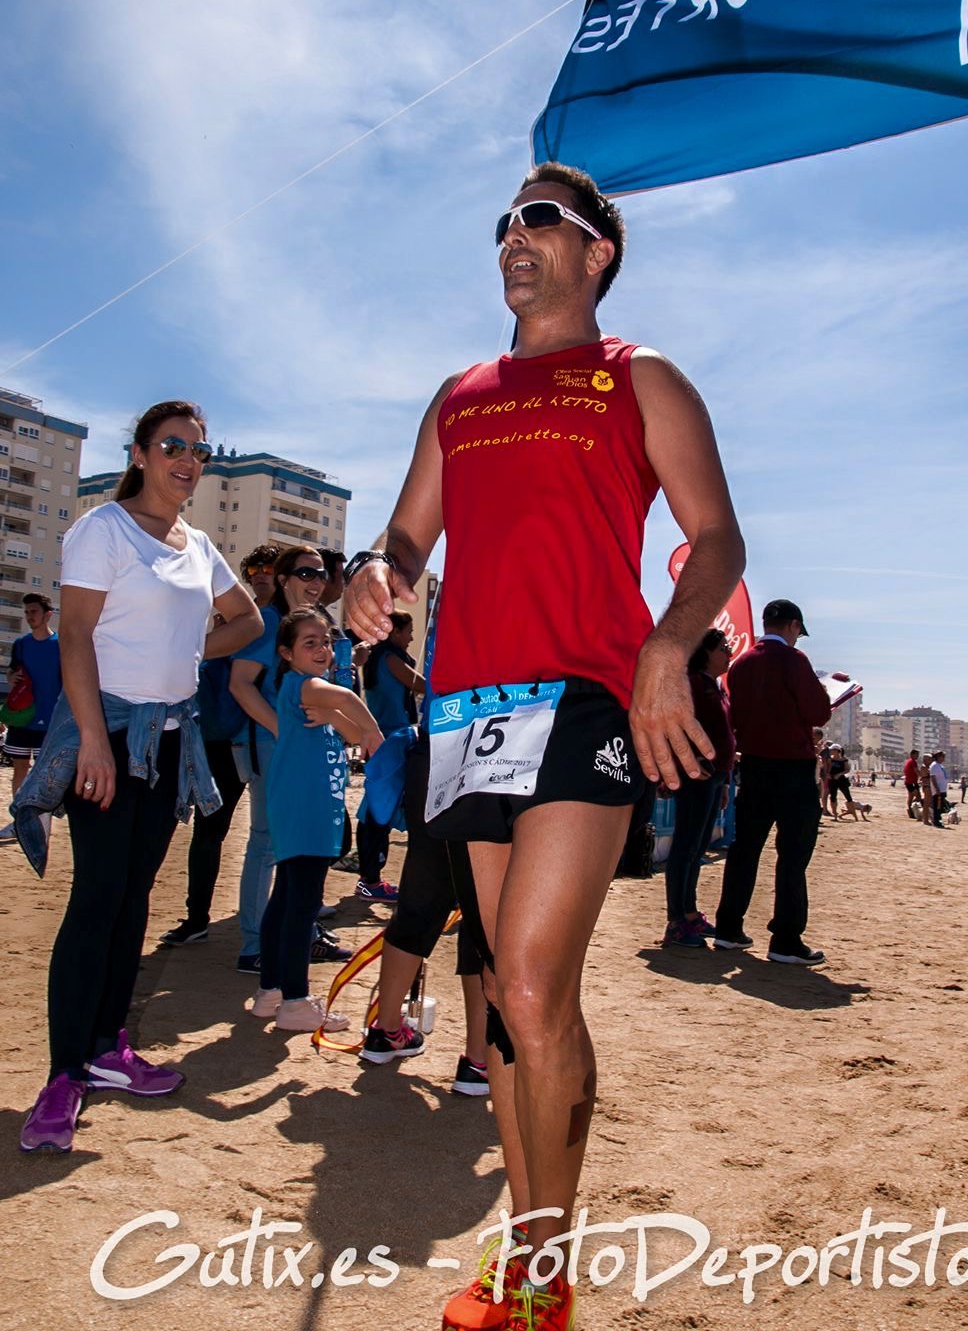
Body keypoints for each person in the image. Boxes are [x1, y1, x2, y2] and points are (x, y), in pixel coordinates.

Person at [343, 161, 745, 1330]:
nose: (512, 238)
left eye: (538, 220)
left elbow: (717, 537)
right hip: (469, 710)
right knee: (515, 997)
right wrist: (378, 571)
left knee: (525, 979)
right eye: (503, 224)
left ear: (596, 251)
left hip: (583, 698)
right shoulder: (459, 394)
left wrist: (670, 645)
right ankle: (526, 1254)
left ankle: (544, 1277)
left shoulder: (640, 375)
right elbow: (406, 538)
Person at [16, 401, 262, 1153]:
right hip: (111, 734)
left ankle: (106, 1048)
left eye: (198, 451)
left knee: (132, 901)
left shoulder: (198, 545)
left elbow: (249, 620)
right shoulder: (104, 529)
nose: (187, 461)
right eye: (172, 446)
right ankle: (64, 1075)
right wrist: (93, 740)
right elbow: (76, 638)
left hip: (170, 741)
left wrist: (189, 650)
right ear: (140, 453)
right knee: (96, 900)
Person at [249, 609, 382, 1031]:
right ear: (286, 653)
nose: (322, 649)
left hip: (308, 809)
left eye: (326, 641)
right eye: (310, 643)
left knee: (287, 899)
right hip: (304, 809)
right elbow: (347, 702)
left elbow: (348, 730)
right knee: (301, 905)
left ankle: (271, 992)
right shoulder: (302, 685)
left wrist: (348, 725)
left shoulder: (312, 696)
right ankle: (295, 1000)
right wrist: (373, 729)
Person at [229, 544, 349, 973]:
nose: (316, 581)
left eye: (321, 574)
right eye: (305, 573)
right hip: (271, 746)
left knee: (301, 846)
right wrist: (283, 728)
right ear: (283, 580)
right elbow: (240, 683)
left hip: (305, 751)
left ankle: (299, 935)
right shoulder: (269, 623)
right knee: (267, 843)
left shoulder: (314, 625)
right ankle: (254, 946)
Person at [159, 544, 280, 946]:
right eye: (253, 570)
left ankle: (283, 918)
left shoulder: (282, 623)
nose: (260, 575)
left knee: (270, 837)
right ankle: (197, 918)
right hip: (223, 741)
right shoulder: (235, 622)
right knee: (211, 831)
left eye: (268, 568)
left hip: (260, 741)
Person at [712, 599, 834, 965]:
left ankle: (728, 927)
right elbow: (818, 712)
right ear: (793, 626)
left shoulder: (742, 663)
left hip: (754, 766)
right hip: (792, 768)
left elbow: (736, 717)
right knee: (793, 856)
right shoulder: (794, 660)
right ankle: (785, 938)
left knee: (745, 850)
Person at [662, 629, 735, 947]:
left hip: (714, 778)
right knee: (685, 848)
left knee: (697, 848)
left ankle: (689, 914)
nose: (729, 652)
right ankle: (676, 921)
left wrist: (725, 782)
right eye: (723, 647)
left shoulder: (714, 686)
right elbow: (673, 725)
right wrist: (688, 761)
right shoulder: (691, 683)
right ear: (704, 651)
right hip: (695, 778)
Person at [354, 610, 423, 902]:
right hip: (390, 741)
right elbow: (419, 684)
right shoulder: (390, 658)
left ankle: (369, 875)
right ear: (395, 632)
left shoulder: (378, 656)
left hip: (383, 738)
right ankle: (370, 879)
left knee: (376, 807)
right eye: (408, 631)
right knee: (377, 811)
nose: (411, 637)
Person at [0, 593, 63, 843]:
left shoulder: (60, 645)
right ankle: (20, 822)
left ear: (48, 614)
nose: (29, 616)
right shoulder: (21, 644)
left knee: (45, 774)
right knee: (20, 768)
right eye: (26, 612)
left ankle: (40, 825)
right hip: (22, 717)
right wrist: (10, 677)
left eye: (33, 611)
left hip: (50, 720)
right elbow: (12, 670)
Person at [827, 743, 858, 820]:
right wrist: (828, 775)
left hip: (841, 780)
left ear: (837, 751)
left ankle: (855, 816)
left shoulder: (844, 760)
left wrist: (839, 774)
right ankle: (835, 816)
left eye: (832, 750)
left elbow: (847, 769)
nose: (831, 751)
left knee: (848, 796)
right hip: (832, 780)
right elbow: (827, 769)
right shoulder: (830, 759)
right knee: (833, 797)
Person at [929, 751, 948, 828]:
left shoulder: (940, 765)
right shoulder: (934, 765)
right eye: (942, 757)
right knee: (937, 806)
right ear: (938, 757)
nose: (944, 758)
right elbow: (933, 777)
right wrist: (937, 788)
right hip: (938, 789)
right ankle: (936, 820)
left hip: (942, 789)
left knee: (940, 806)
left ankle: (938, 819)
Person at [902, 748, 921, 819]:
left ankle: (910, 810)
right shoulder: (913, 762)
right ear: (912, 754)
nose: (918, 756)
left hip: (909, 782)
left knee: (911, 797)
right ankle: (912, 809)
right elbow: (916, 771)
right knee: (918, 796)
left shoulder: (909, 761)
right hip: (912, 782)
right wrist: (923, 776)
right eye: (917, 754)